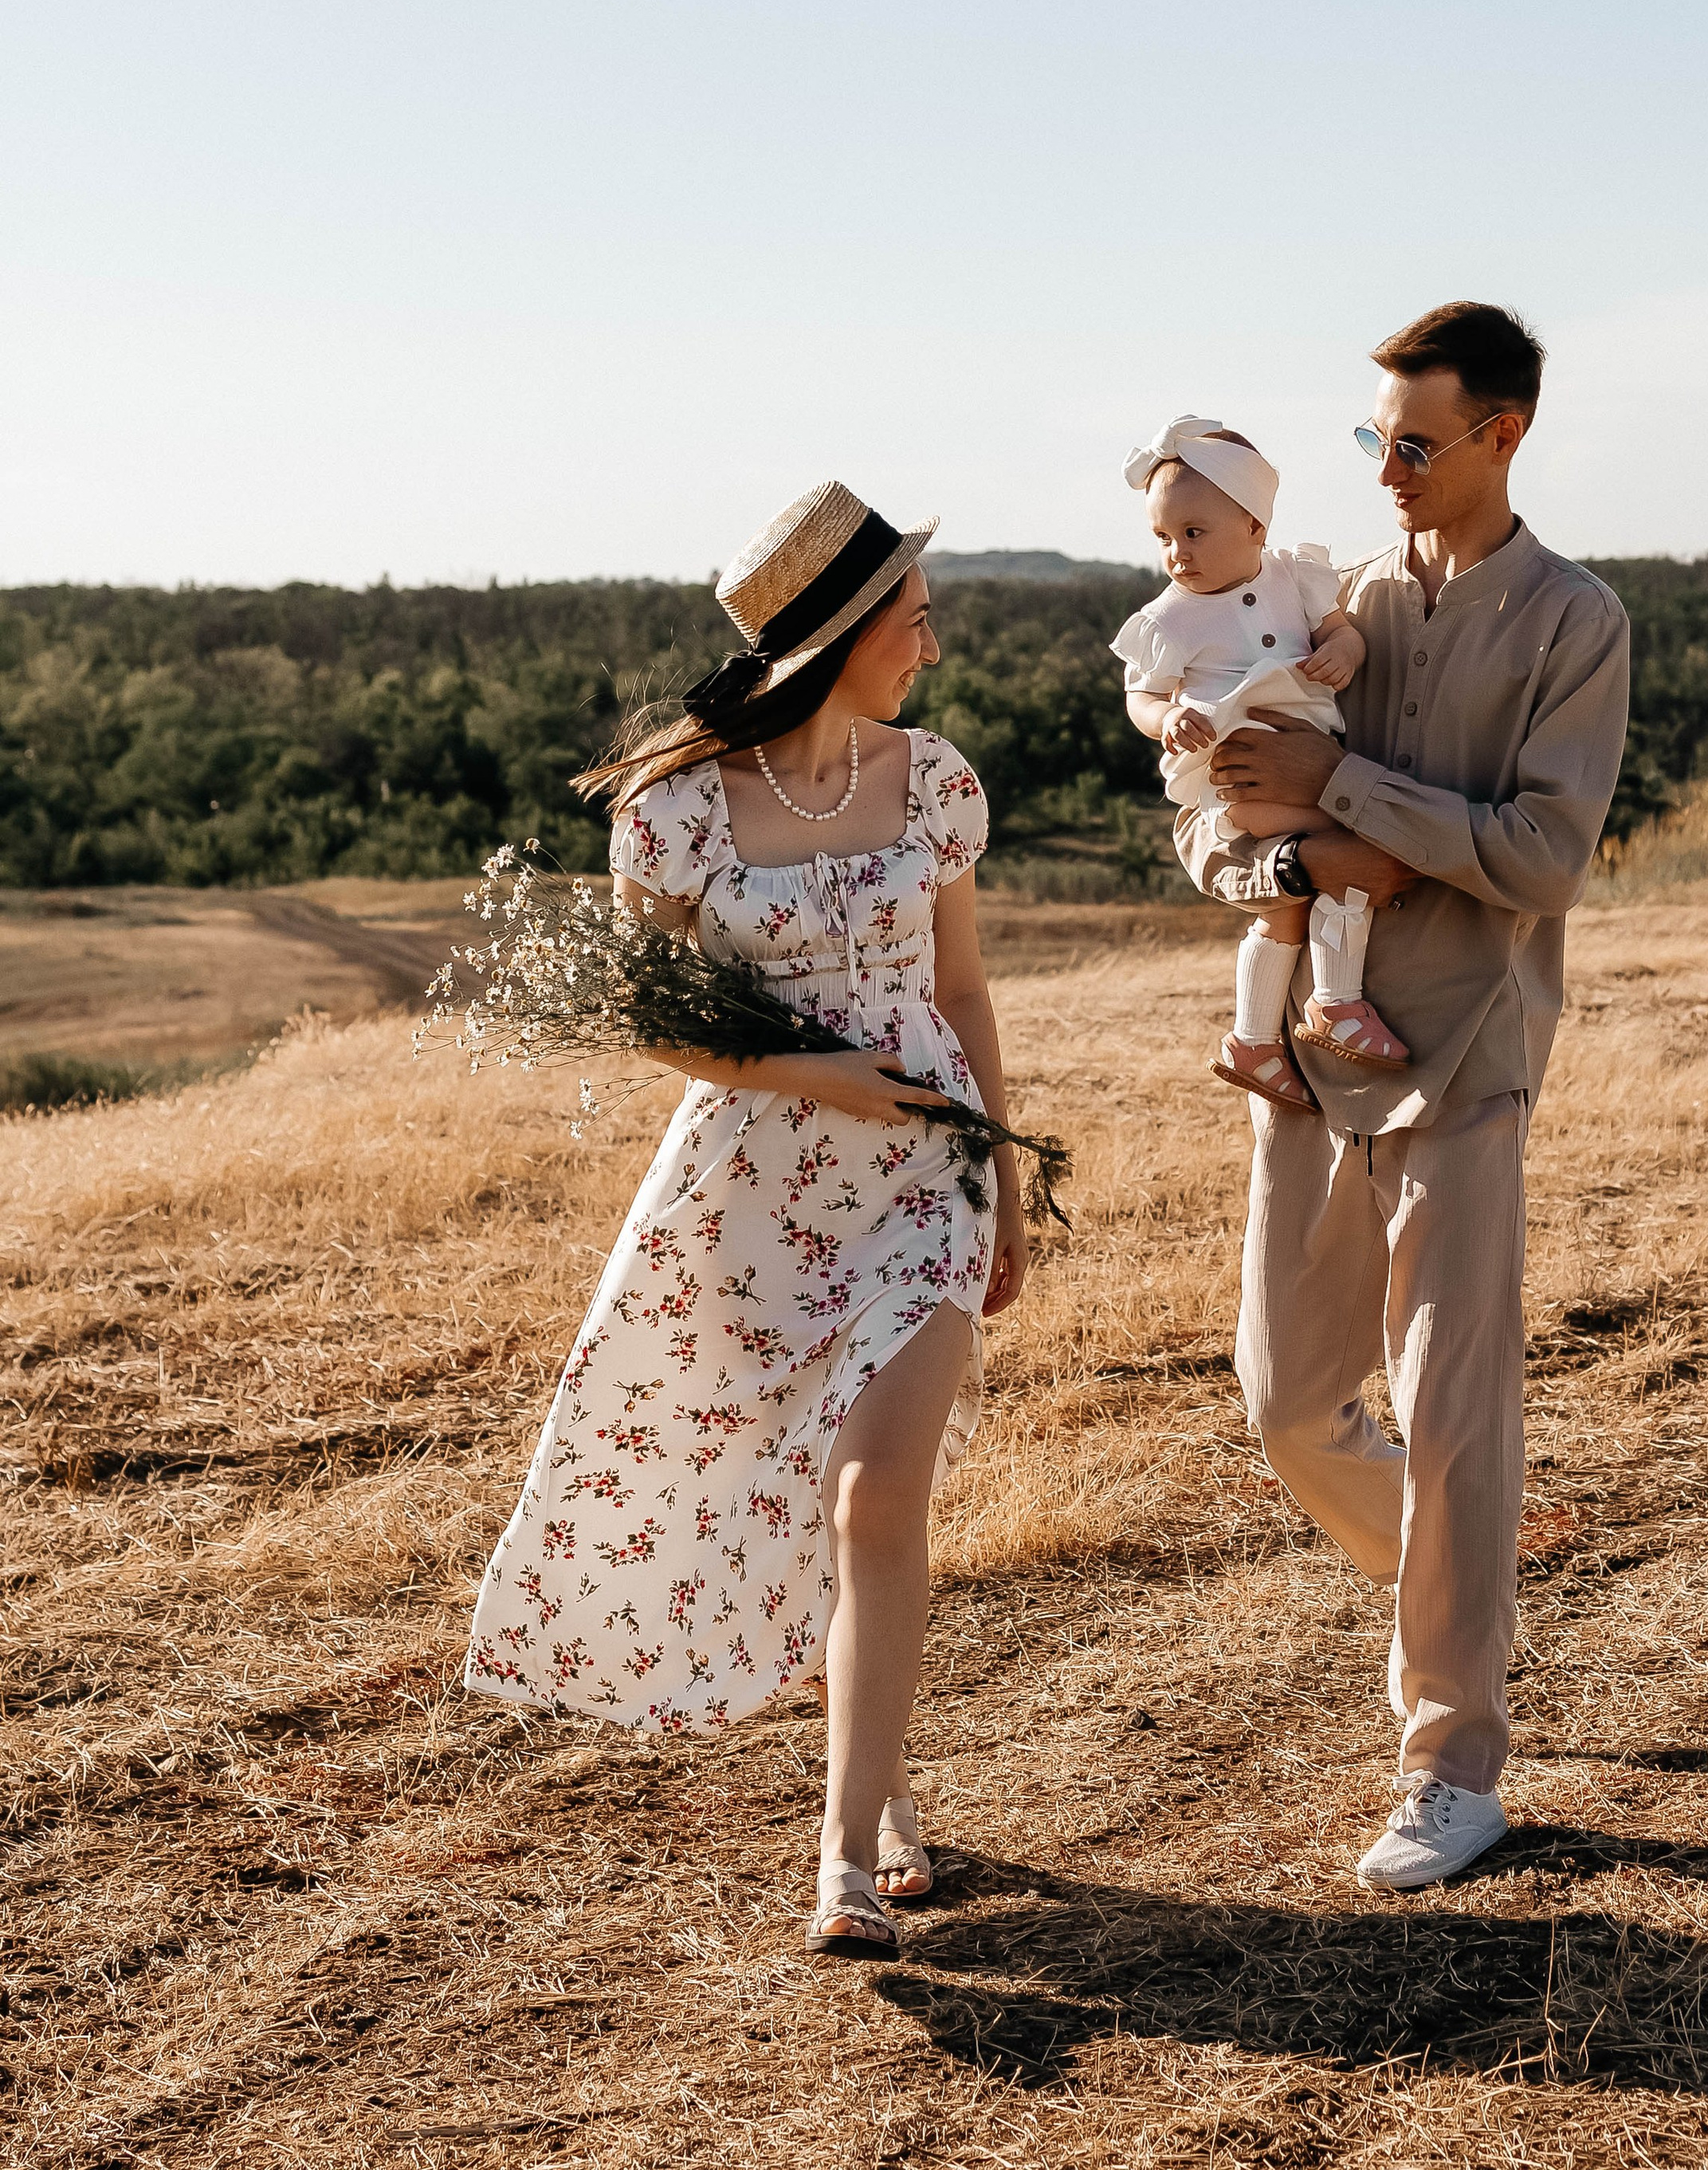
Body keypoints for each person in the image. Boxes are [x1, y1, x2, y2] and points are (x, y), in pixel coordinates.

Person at [464, 482, 1030, 1959]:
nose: (931, 643)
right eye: (913, 619)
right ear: (840, 630)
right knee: (786, 1489)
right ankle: (884, 1784)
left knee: (875, 1493)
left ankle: (845, 1859)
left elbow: (963, 992)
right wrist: (814, 1074)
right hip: (755, 1196)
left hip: (926, 1180)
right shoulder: (677, 812)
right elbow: (650, 1018)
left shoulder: (936, 783)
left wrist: (1007, 1172)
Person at [1177, 305, 1629, 1889]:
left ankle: (1451, 1758)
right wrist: (1298, 856)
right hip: (1308, 1063)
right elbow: (1210, 821)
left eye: (1414, 444)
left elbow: (1540, 858)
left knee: (1452, 1420)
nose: (1384, 471)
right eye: (1373, 440)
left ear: (1504, 434)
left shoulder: (1574, 622)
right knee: (1286, 1407)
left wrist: (1345, 794)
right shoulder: (1332, 606)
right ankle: (1465, 1586)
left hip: (1467, 1059)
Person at [1113, 416, 1404, 1107]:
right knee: (1354, 849)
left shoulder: (1295, 578)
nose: (1177, 554)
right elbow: (1141, 696)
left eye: (1193, 532)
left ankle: (1253, 1040)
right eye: (1163, 538)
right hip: (1237, 776)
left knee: (1287, 906)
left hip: (1307, 762)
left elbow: (1341, 631)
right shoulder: (1170, 619)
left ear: (1254, 525)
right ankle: (1336, 1000)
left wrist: (1345, 652)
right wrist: (1167, 719)